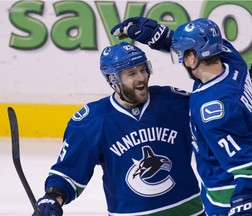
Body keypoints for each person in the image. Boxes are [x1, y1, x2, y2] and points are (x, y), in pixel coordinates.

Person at [110, 17, 252, 216]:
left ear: (193, 57)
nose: (182, 61)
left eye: (183, 55)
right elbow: (241, 118)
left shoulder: (213, 109)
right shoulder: (231, 59)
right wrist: (156, 34)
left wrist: (246, 204)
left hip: (232, 198)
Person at [33, 41, 206, 216]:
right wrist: (53, 197)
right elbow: (69, 171)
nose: (141, 77)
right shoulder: (93, 121)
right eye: (131, 73)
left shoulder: (174, 102)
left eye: (143, 69)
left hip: (190, 210)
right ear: (112, 80)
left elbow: (216, 119)